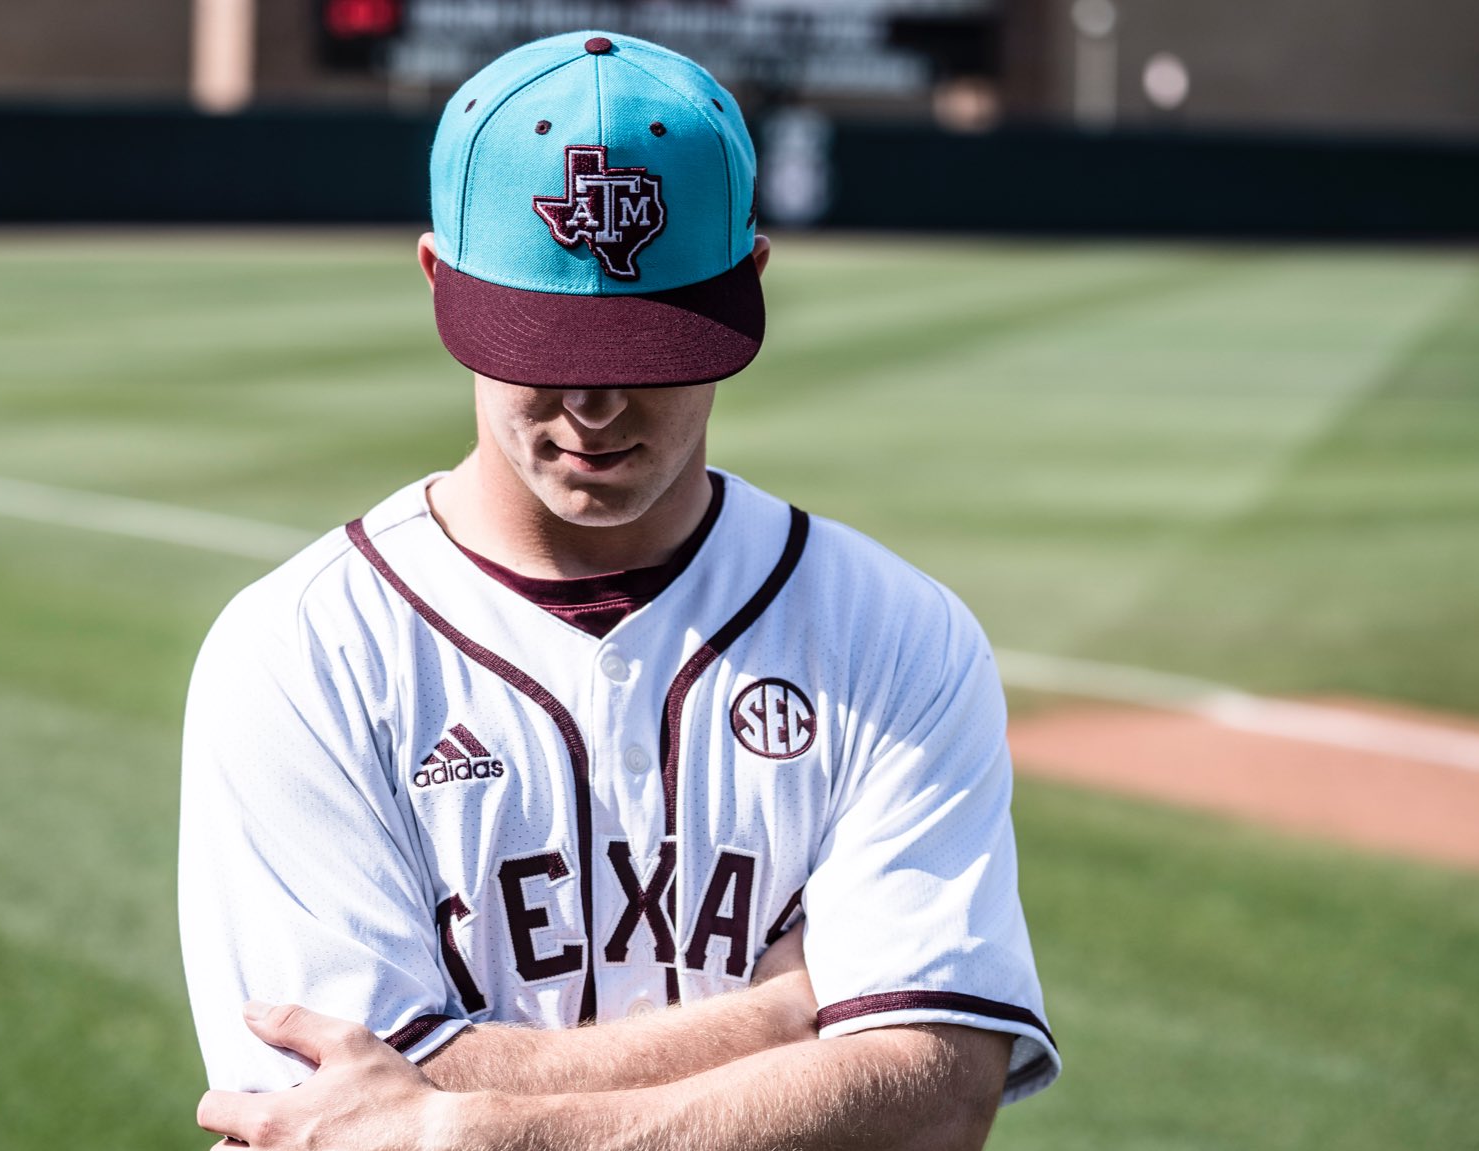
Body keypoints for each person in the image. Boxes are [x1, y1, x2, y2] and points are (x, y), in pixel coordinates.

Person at [178, 31, 1060, 1151]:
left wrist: (467, 1130)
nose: (595, 404)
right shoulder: (300, 650)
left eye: (647, 345)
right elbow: (329, 1110)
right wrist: (788, 1014)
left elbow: (933, 1095)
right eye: (545, 340)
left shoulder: (893, 635)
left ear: (749, 282)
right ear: (440, 280)